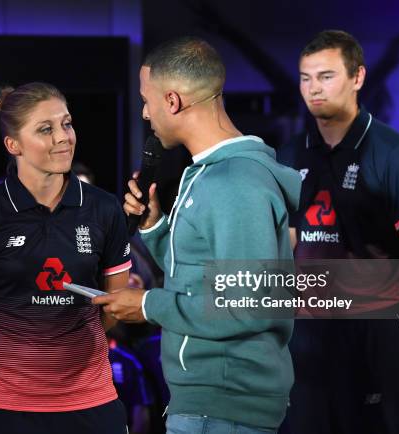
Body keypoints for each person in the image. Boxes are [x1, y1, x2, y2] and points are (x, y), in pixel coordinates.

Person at [93, 36, 301, 433]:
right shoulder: (210, 174)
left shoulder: (234, 182)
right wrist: (156, 226)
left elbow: (245, 304)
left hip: (224, 404)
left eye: (146, 99)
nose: (144, 112)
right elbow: (202, 277)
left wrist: (149, 305)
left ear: (172, 102)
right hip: (210, 400)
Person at [0, 82, 131, 434]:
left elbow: (113, 308)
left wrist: (69, 358)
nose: (63, 137)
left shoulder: (104, 208)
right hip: (2, 407)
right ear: (13, 145)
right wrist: (11, 368)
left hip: (90, 401)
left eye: (67, 123)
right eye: (46, 129)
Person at [278, 30, 399, 434]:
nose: (314, 88)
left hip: (375, 327)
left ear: (358, 77)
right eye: (305, 77)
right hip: (307, 332)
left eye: (327, 76)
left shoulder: (391, 153)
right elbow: (287, 242)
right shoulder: (292, 152)